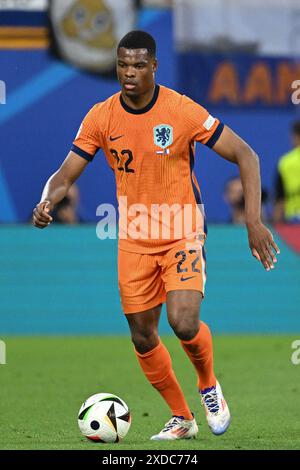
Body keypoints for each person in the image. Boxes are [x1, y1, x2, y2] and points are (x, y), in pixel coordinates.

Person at [33, 30, 280, 441]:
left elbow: (246, 155)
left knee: (182, 322)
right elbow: (66, 172)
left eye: (138, 65)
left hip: (182, 228)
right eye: (122, 65)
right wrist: (47, 200)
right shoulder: (101, 116)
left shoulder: (179, 110)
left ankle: (208, 385)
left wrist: (253, 221)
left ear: (154, 67)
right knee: (143, 335)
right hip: (134, 236)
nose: (128, 73)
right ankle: (182, 418)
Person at [273, 120, 300, 223]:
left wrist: (276, 225)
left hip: (295, 222)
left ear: (295, 137)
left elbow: (280, 199)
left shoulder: (285, 162)